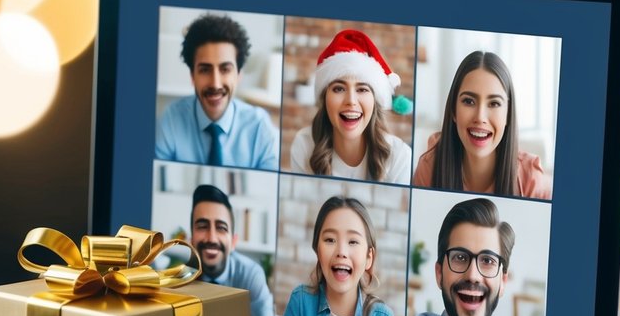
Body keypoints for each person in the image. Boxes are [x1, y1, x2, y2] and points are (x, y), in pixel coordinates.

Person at [406, 197, 542, 316]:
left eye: (487, 261)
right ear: (439, 274)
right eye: (460, 257)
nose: (473, 275)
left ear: (503, 282)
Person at [412, 50, 551, 199]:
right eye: (469, 101)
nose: (480, 117)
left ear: (508, 115)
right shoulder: (429, 168)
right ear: (453, 110)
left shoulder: (531, 180)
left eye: (494, 103)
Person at [156, 13, 279, 170]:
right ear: (192, 76)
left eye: (225, 69)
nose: (215, 83)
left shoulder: (260, 127)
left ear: (238, 75)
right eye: (205, 70)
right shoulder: (170, 121)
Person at [290, 29, 411, 183]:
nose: (351, 101)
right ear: (324, 98)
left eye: (362, 89)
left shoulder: (400, 156)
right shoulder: (304, 146)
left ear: (375, 101)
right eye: (339, 88)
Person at [281, 195, 396, 316]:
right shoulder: (301, 302)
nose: (341, 251)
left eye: (353, 241)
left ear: (369, 257)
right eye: (330, 240)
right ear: (317, 250)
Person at [190, 183, 274, 316]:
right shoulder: (179, 280)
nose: (211, 238)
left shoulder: (251, 275)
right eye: (202, 226)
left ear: (233, 242)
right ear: (191, 240)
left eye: (221, 228)